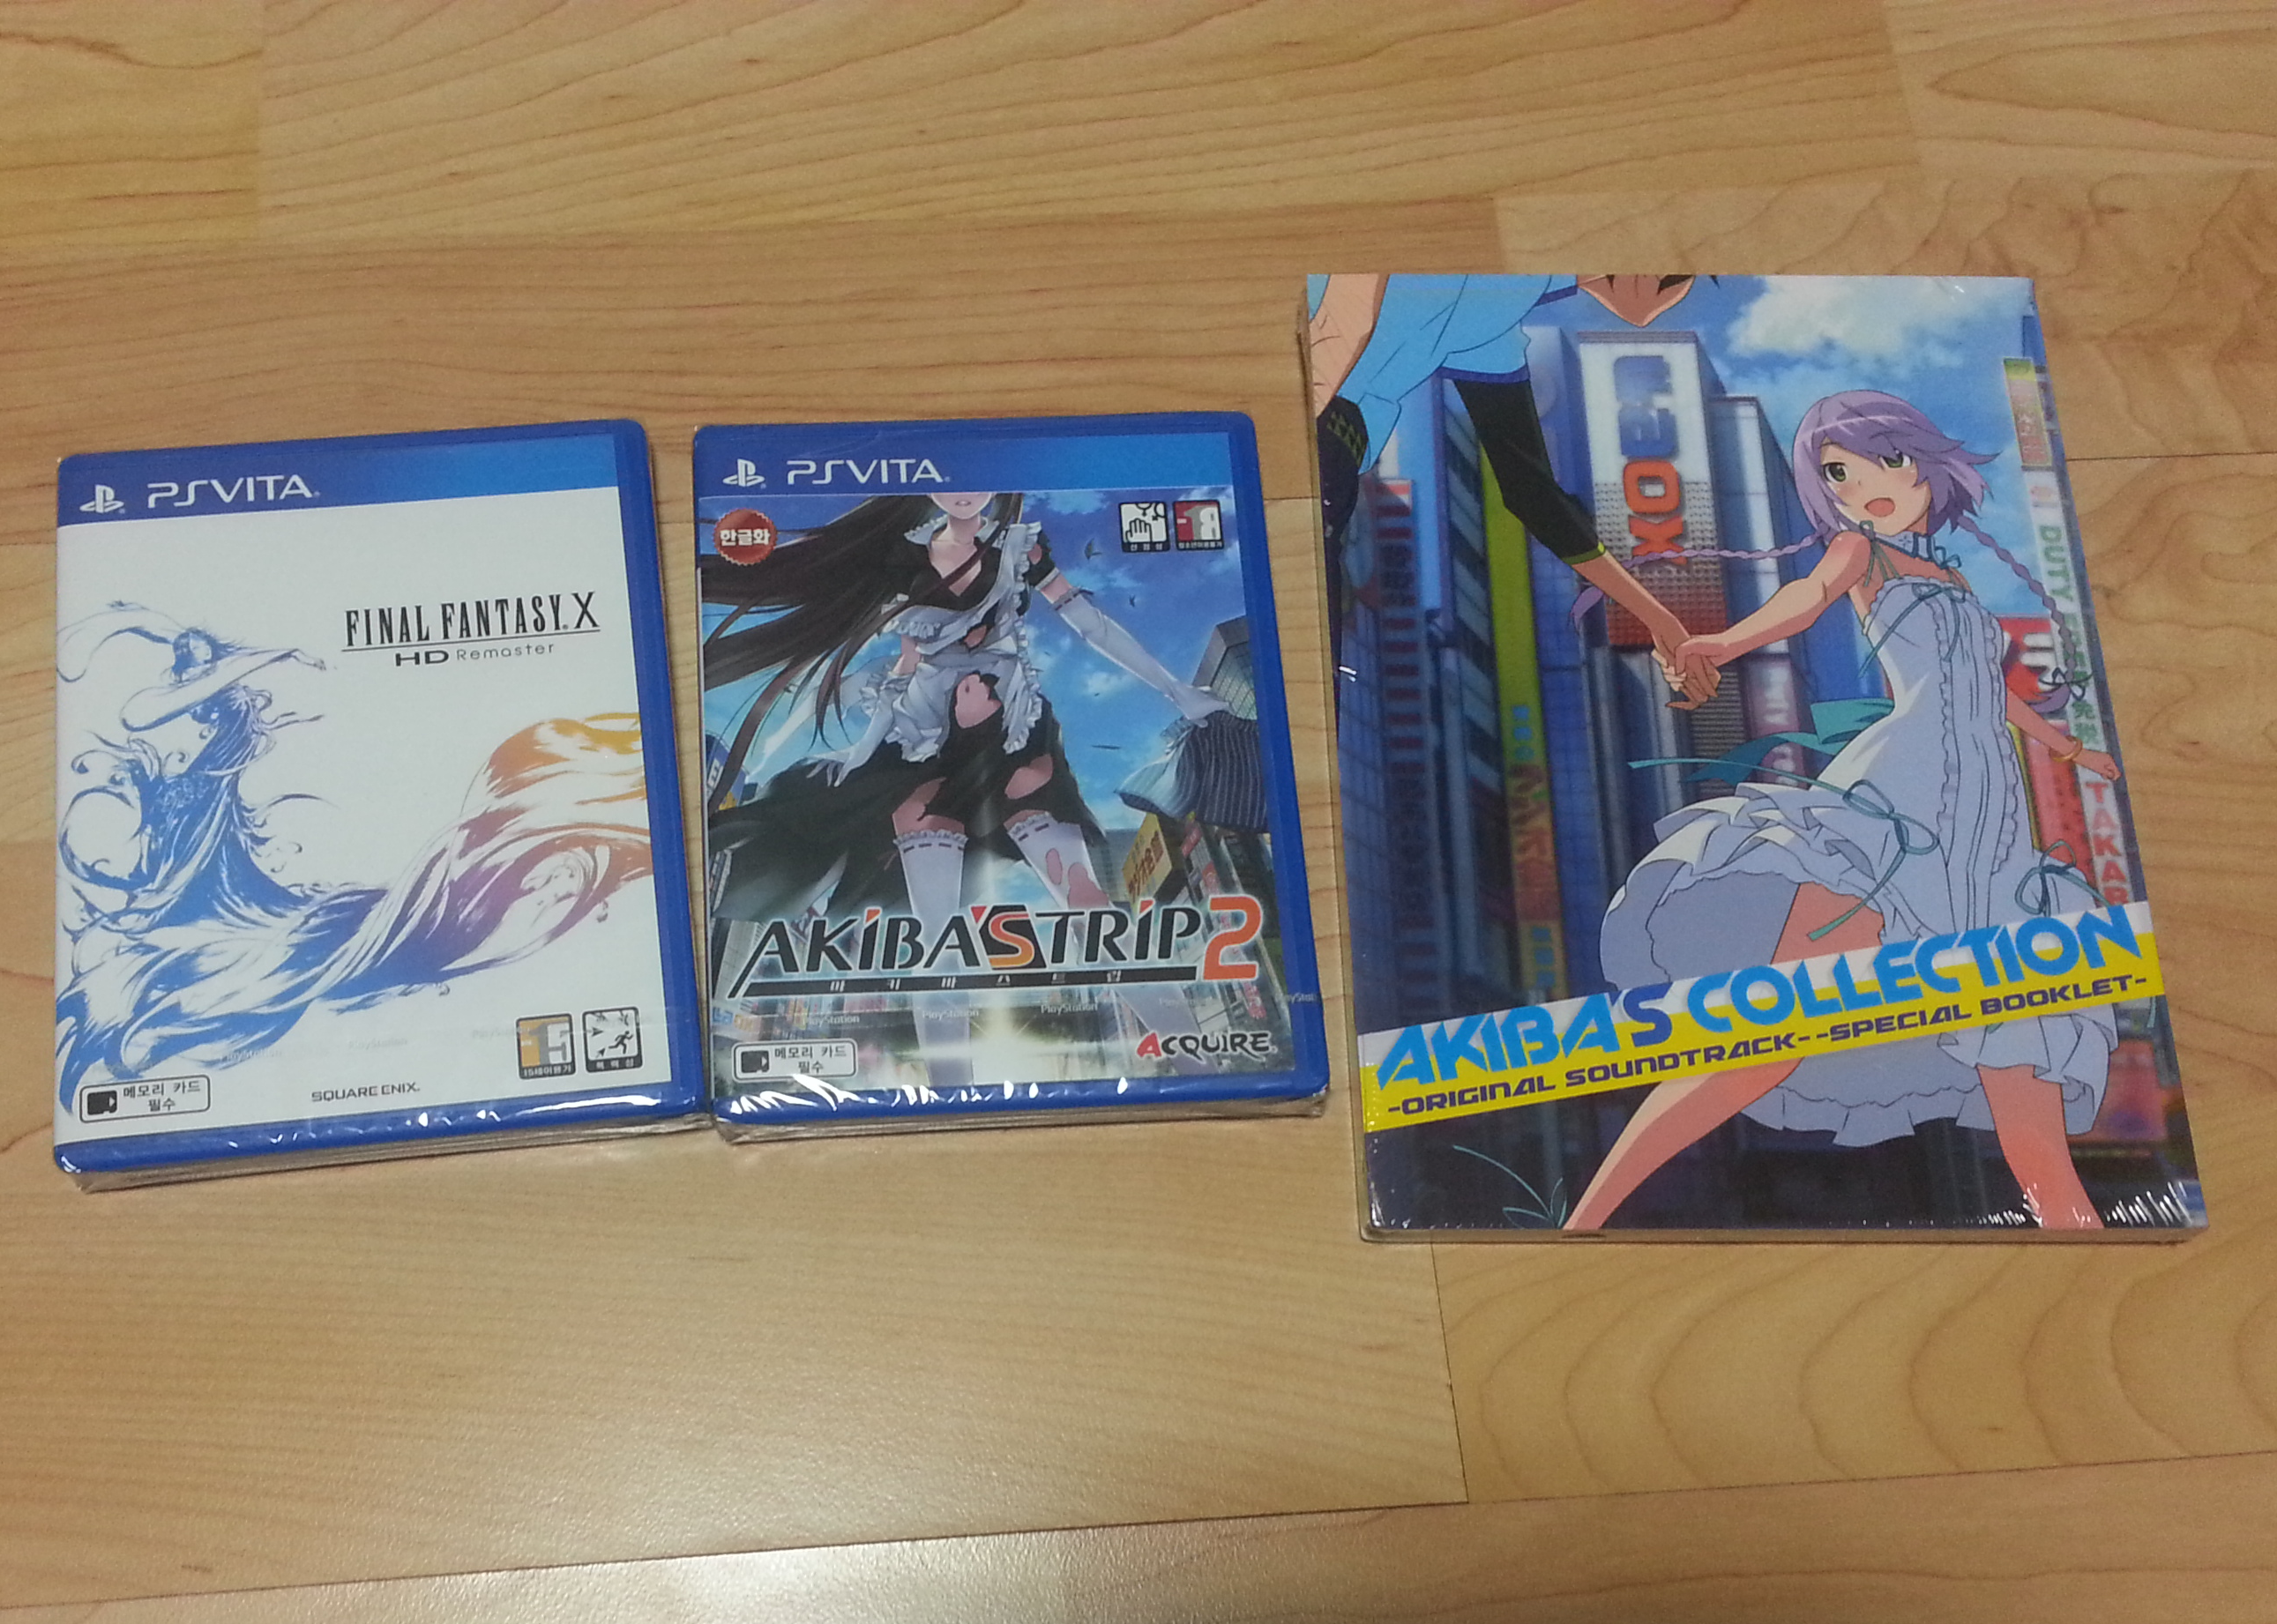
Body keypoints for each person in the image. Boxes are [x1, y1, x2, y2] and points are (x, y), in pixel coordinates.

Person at [1562, 390, 2124, 1233]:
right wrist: (1722, 643)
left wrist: (2070, 749)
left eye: (1886, 461)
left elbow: (1988, 695)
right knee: (1771, 1029)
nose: (1866, 487)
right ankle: (1581, 1224)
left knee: (2024, 1075)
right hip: (1898, 800)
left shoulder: (1957, 581)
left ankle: (2083, 1248)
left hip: (1991, 832)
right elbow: (1806, 598)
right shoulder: (1862, 551)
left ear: (1924, 461)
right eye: (1838, 475)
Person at [701, 491, 1229, 1080]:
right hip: (927, 747)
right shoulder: (907, 557)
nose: (962, 492)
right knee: (937, 938)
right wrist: (863, 750)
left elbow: (1088, 624)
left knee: (1089, 905)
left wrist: (1175, 690)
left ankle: (1194, 1057)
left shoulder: (1020, 548)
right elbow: (904, 668)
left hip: (1014, 735)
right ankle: (951, 1088)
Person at [55, 605, 650, 1099]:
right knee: (252, 927)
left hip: (214, 834)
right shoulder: (157, 711)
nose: (201, 665)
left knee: (308, 925)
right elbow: (160, 698)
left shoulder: (214, 716)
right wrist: (269, 655)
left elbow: (189, 658)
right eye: (194, 660)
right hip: (194, 837)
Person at [1306, 272, 1714, 704]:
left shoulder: (1495, 328)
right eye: (1675, 281)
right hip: (1311, 413)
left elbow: (1532, 491)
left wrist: (1659, 620)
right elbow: (1354, 293)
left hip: (1334, 452)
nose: (1658, 309)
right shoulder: (1504, 281)